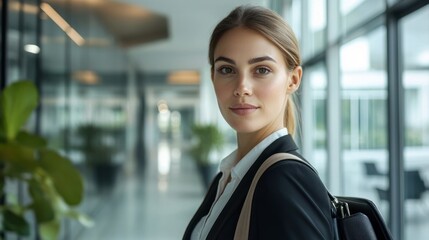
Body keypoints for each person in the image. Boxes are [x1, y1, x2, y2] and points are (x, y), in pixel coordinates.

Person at [183, 5, 335, 240]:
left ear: (293, 80)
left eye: (262, 70)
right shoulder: (228, 177)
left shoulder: (286, 180)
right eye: (227, 69)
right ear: (213, 77)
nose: (242, 87)